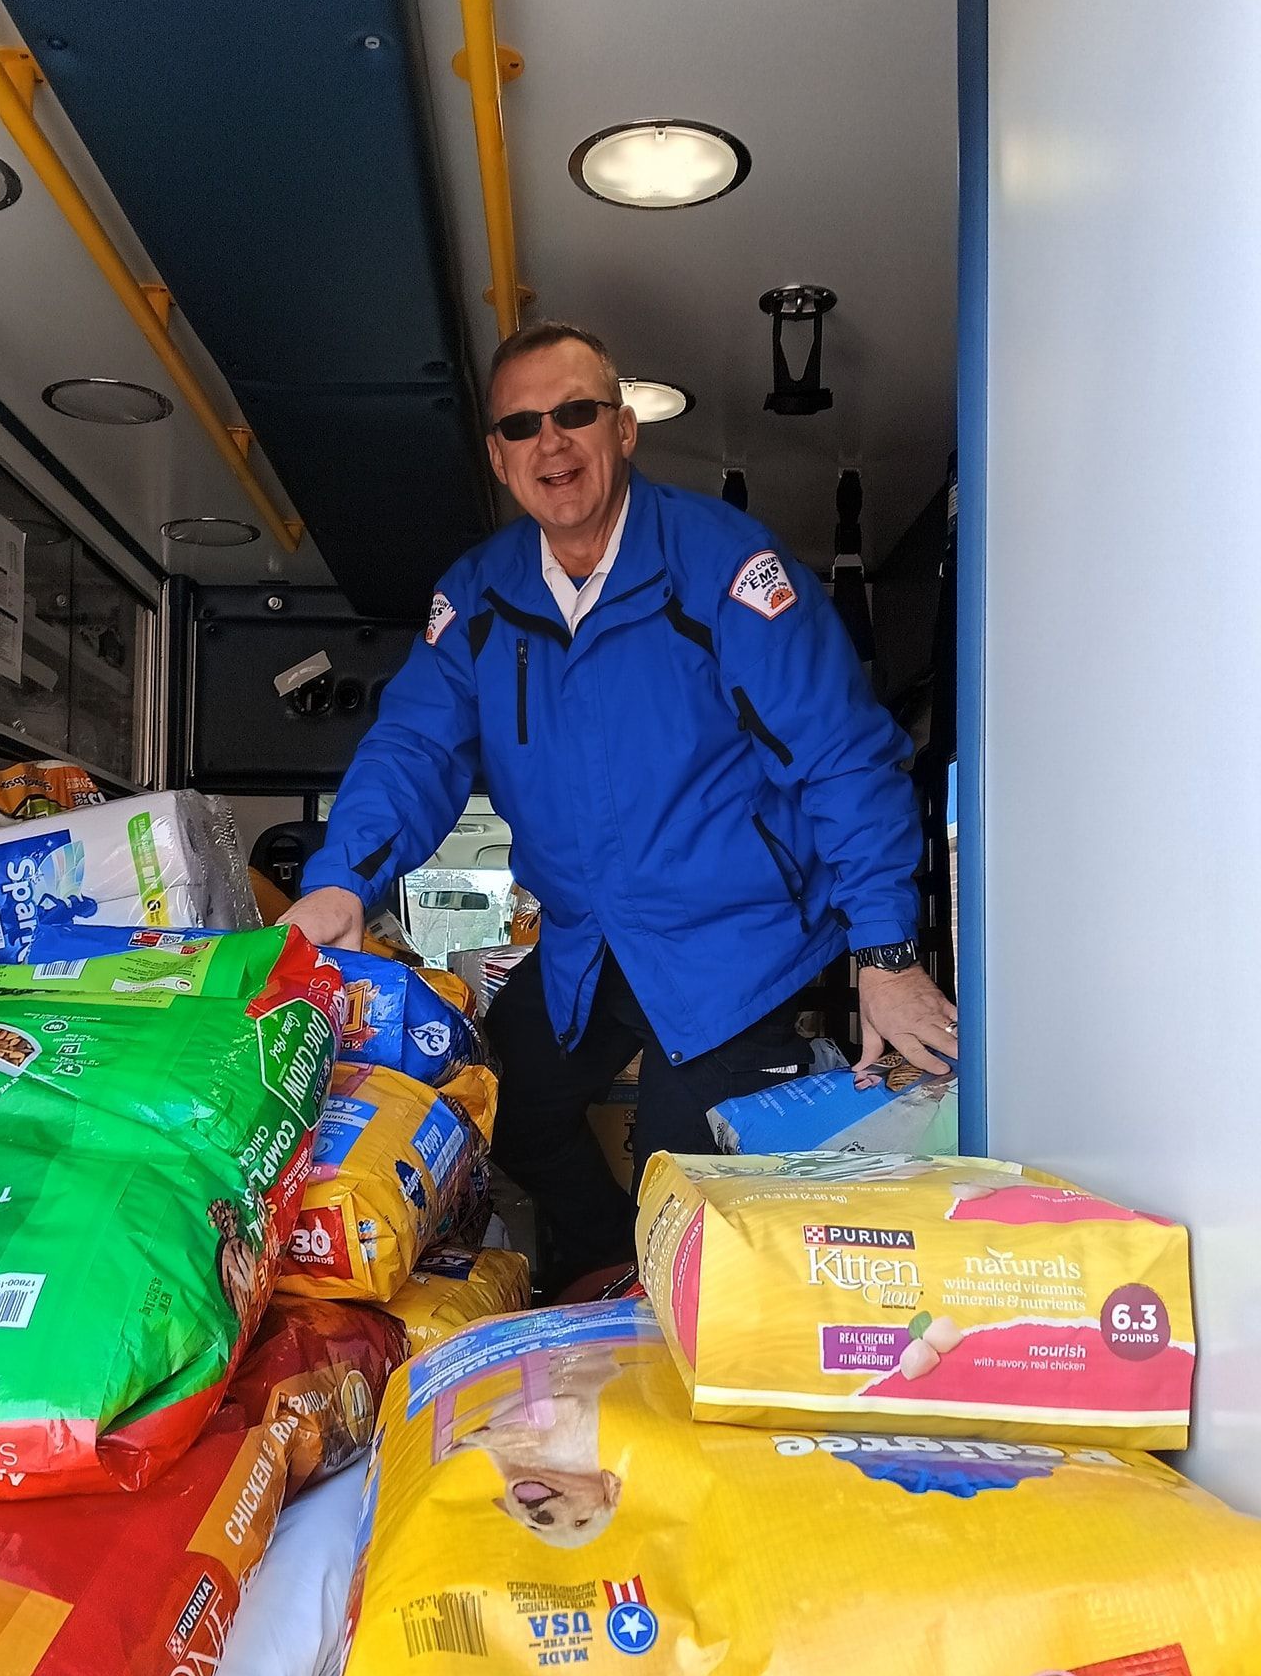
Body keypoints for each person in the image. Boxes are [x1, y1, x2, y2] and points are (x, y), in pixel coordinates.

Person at [283, 321, 958, 1286]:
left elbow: (844, 758)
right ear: (498, 457)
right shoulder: (477, 598)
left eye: (575, 414)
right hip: (587, 946)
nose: (551, 443)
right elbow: (414, 749)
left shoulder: (724, 567)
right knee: (488, 1113)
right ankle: (599, 1264)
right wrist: (344, 881)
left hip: (735, 947)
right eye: (523, 425)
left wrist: (885, 951)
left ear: (624, 427)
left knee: (675, 1201)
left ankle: (637, 1318)